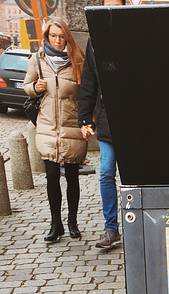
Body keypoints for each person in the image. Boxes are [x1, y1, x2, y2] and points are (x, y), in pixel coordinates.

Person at [23, 18, 87, 243]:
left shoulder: (77, 59)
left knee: (72, 177)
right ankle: (55, 224)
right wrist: (35, 87)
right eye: (54, 36)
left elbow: (87, 91)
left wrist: (87, 122)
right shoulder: (37, 60)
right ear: (47, 37)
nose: (58, 40)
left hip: (71, 125)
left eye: (62, 36)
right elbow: (26, 86)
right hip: (47, 127)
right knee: (51, 177)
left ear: (67, 37)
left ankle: (72, 222)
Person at [78, 0, 125, 251]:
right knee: (106, 172)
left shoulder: (132, 33)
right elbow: (89, 81)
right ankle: (111, 228)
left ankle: (139, 224)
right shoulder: (93, 41)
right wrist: (84, 118)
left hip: (133, 123)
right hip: (107, 122)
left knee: (134, 178)